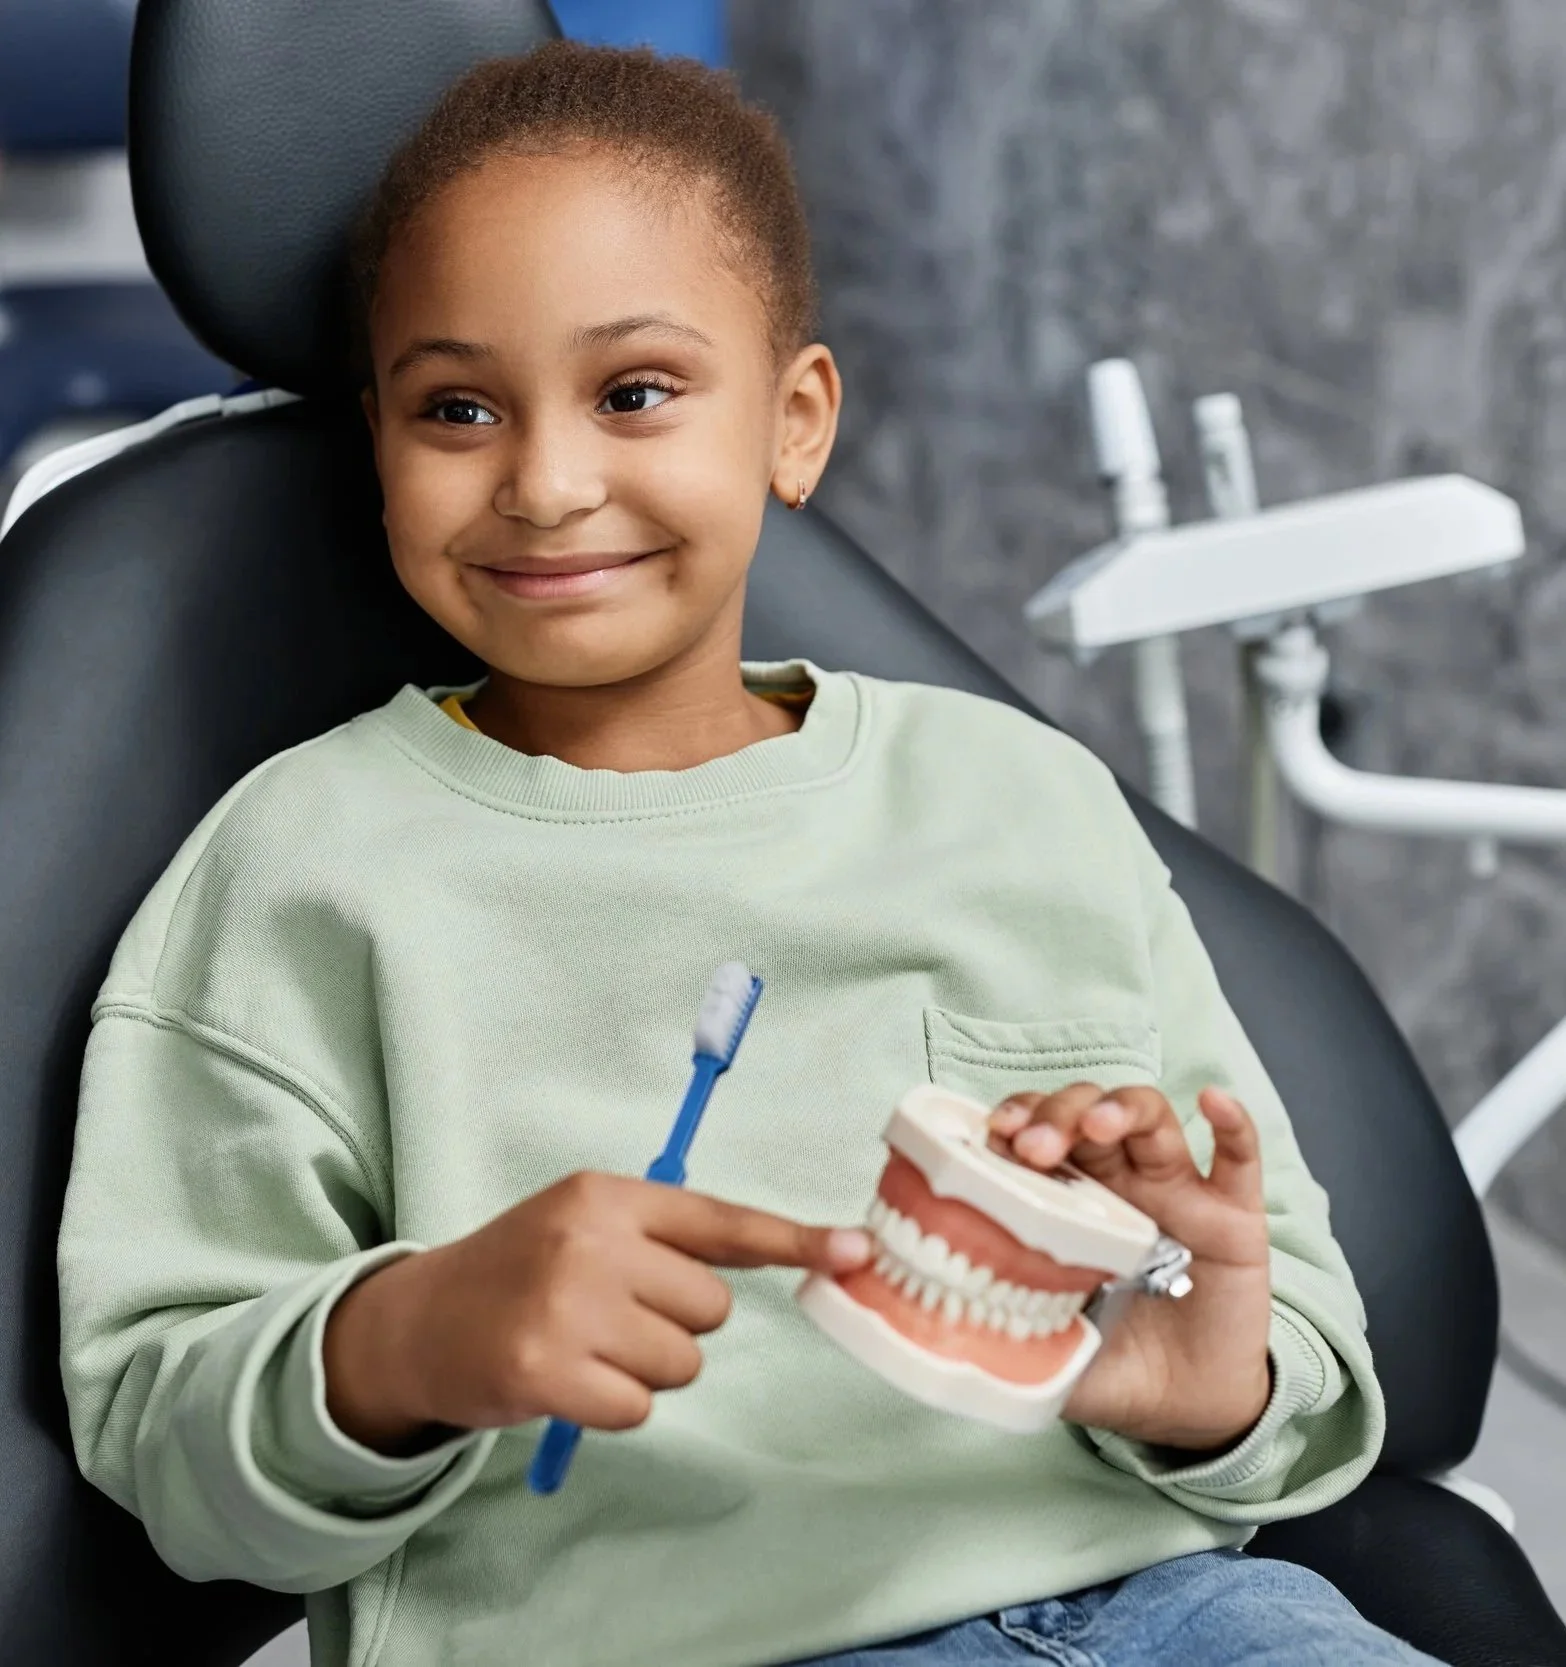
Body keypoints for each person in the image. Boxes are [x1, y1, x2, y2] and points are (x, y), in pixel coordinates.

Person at [58, 41, 1441, 1667]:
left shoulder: (1022, 800)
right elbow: (171, 1456)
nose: (549, 481)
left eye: (633, 391)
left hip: (1187, 1613)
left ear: (793, 424)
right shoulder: (296, 873)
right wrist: (398, 1340)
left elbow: (1294, 1338)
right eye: (456, 408)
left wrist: (1216, 1383)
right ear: (376, 443)